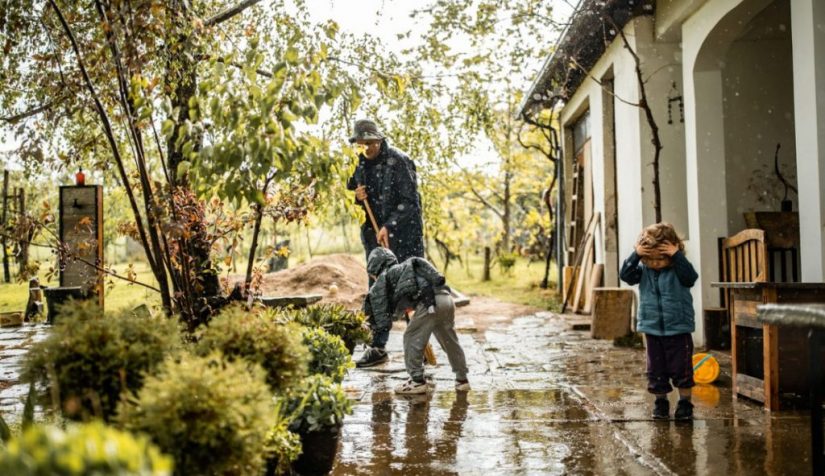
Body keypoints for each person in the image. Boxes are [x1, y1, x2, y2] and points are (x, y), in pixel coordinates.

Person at [360, 247, 470, 394]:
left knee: (411, 337)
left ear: (375, 267)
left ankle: (417, 381)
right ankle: (462, 379)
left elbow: (379, 304)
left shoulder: (384, 276)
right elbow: (411, 291)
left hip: (430, 303)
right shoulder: (404, 270)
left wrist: (379, 325)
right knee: (449, 340)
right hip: (446, 298)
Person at [619, 223, 699, 420]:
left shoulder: (679, 269)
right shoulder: (643, 271)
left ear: (671, 252)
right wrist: (636, 255)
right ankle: (661, 402)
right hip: (652, 327)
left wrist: (677, 255)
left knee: (682, 369)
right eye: (649, 259)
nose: (655, 263)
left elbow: (690, 278)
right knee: (656, 370)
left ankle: (685, 403)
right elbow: (625, 275)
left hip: (678, 327)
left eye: (660, 258)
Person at [346, 118, 424, 269]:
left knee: (407, 281)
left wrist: (388, 226)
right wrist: (356, 196)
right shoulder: (355, 164)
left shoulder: (399, 160)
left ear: (379, 141)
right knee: (379, 283)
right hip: (373, 235)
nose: (365, 148)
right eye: (361, 144)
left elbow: (410, 202)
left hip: (404, 234)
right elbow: (348, 193)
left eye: (369, 143)